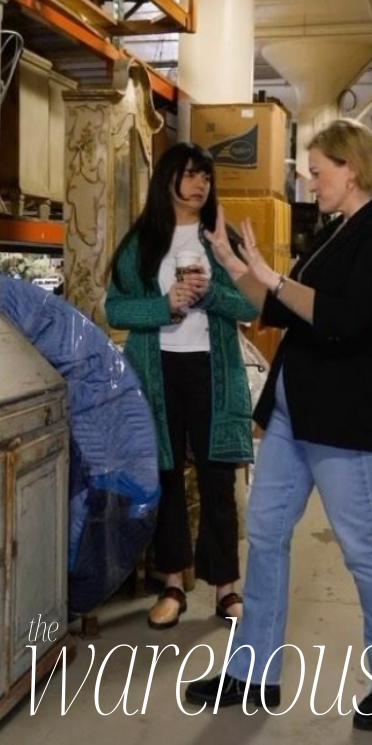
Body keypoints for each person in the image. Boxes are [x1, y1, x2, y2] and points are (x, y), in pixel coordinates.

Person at [186, 118, 372, 730]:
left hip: (342, 419)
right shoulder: (331, 230)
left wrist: (271, 275)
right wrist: (232, 263)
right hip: (292, 415)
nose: (311, 182)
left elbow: (343, 320)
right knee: (263, 536)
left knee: (362, 548)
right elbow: (274, 307)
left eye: (318, 172)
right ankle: (253, 672)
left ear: (351, 167)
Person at [105, 143, 258, 629]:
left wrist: (211, 293)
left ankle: (226, 588)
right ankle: (172, 581)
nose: (199, 186)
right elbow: (116, 309)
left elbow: (251, 308)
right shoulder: (141, 243)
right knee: (166, 477)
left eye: (206, 178)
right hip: (156, 373)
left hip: (213, 373)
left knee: (217, 478)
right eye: (190, 175)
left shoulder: (221, 238)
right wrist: (164, 304)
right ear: (168, 179)